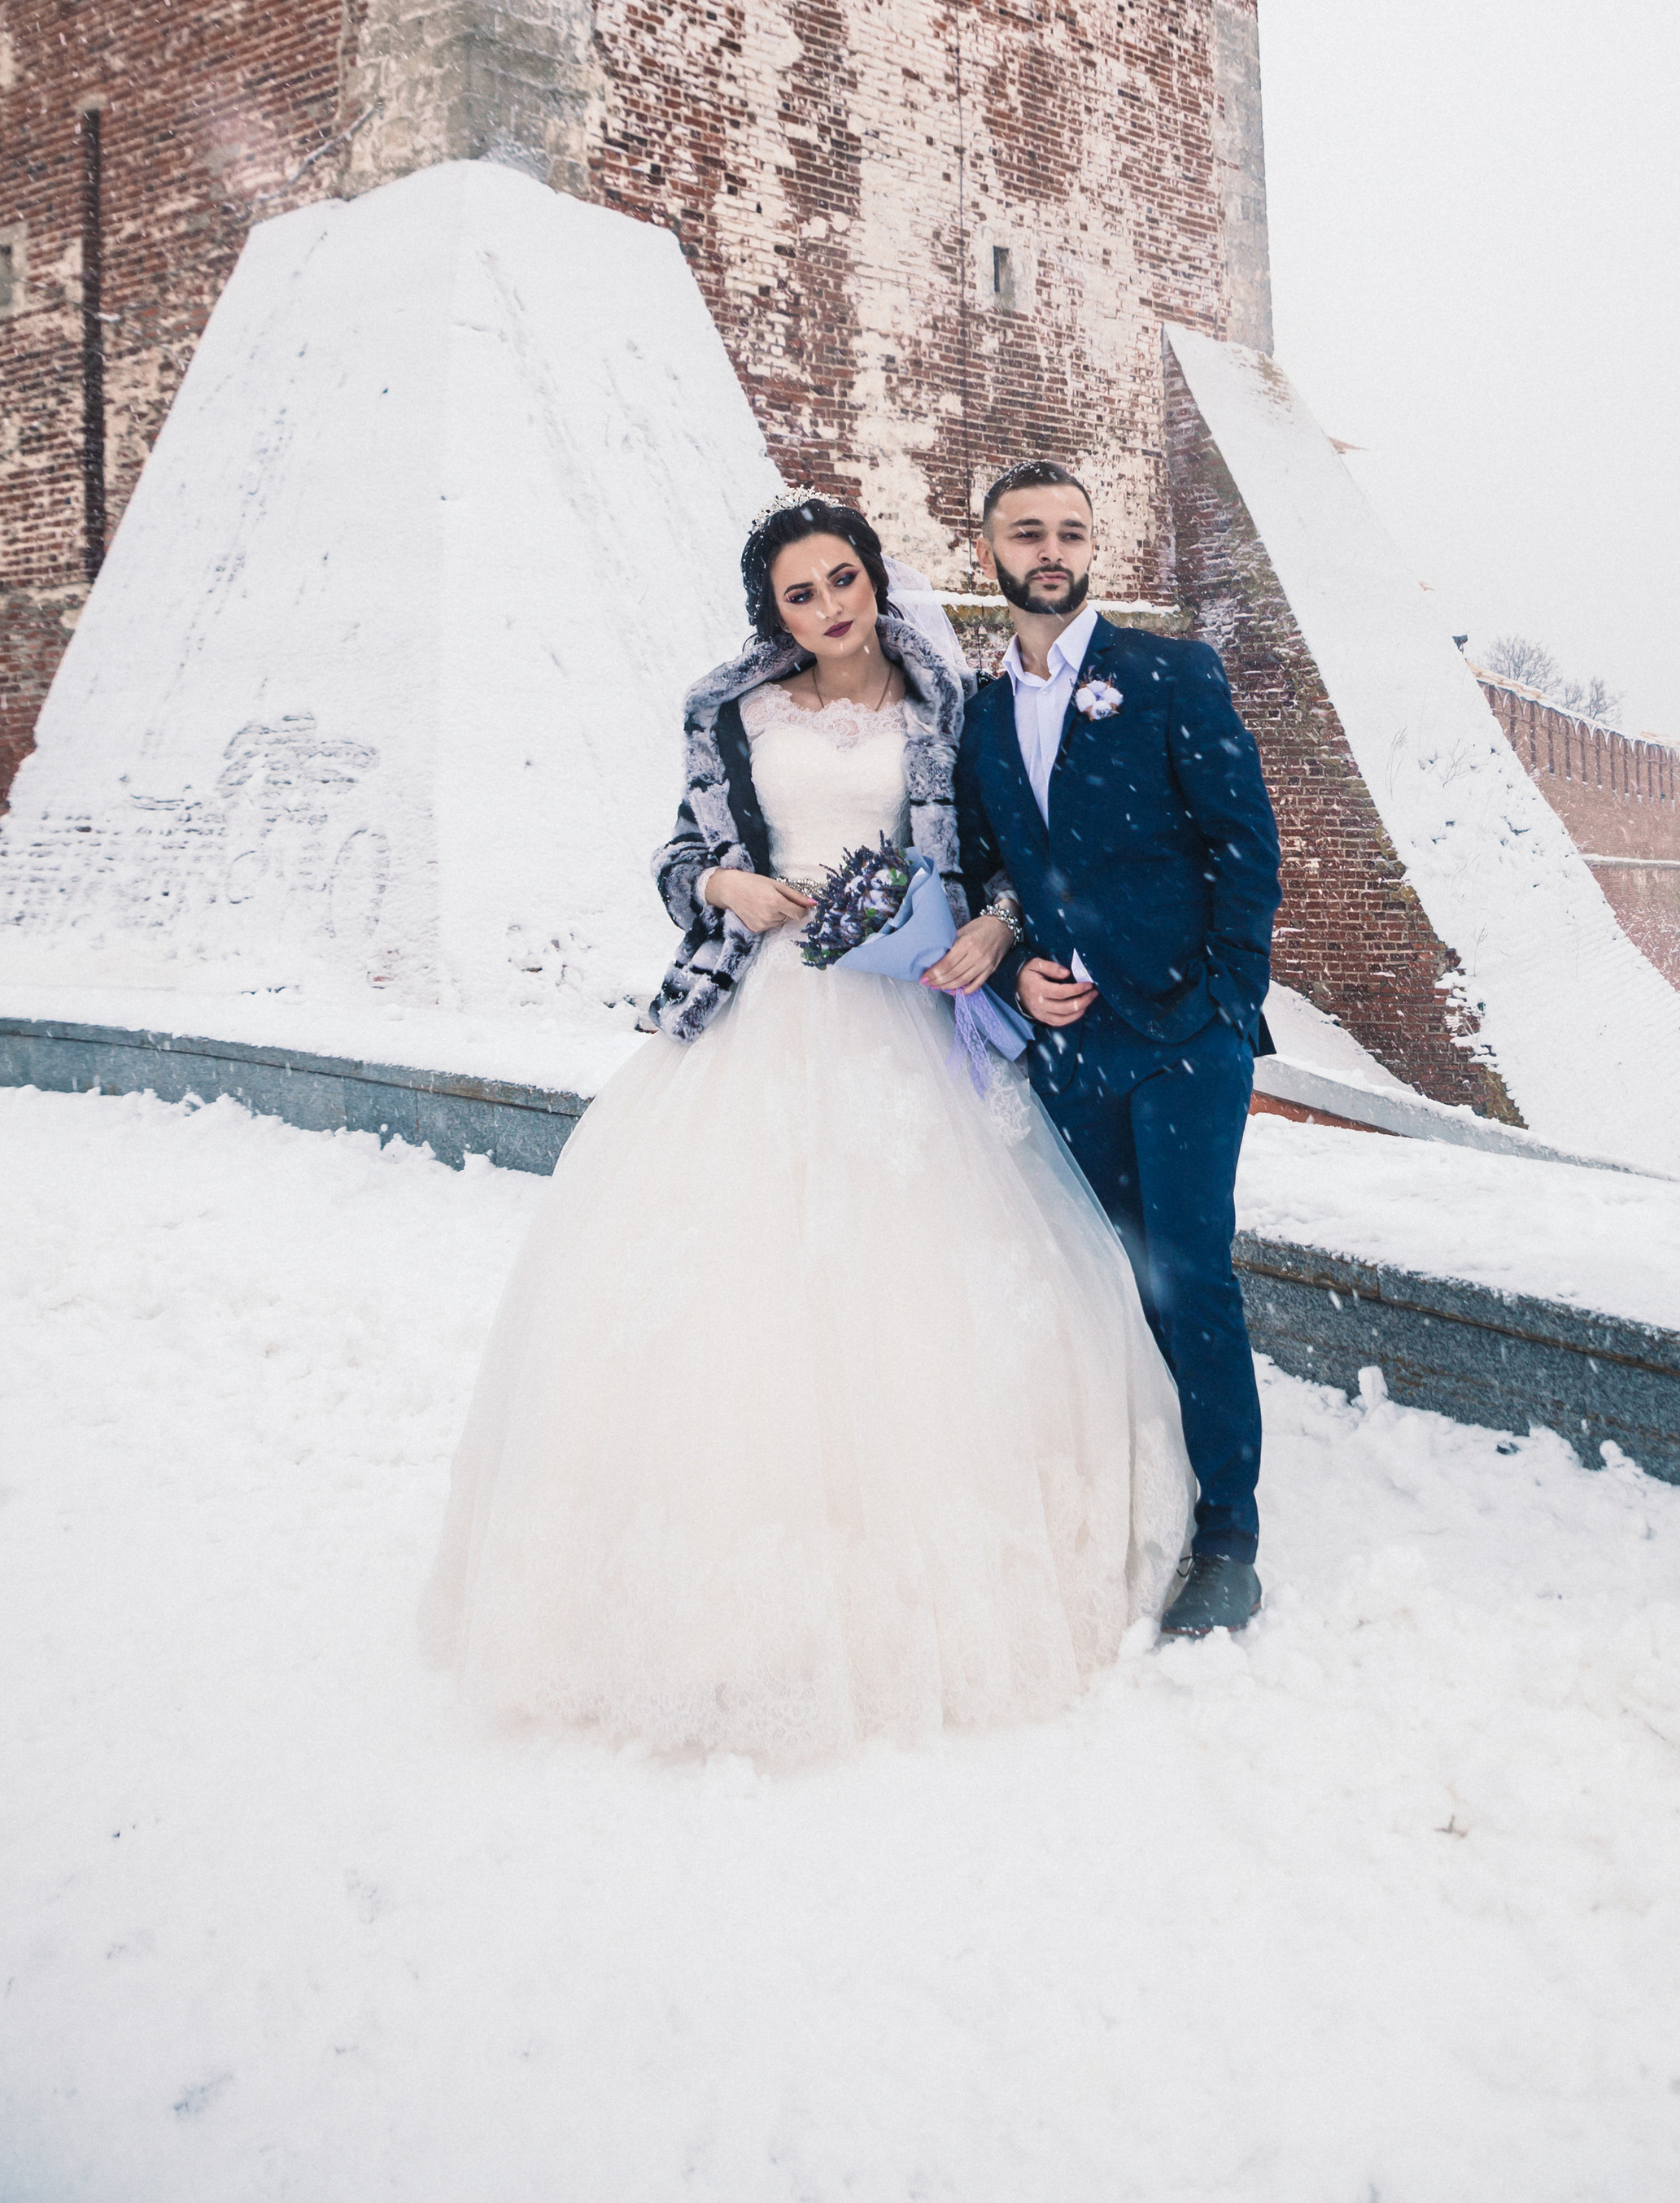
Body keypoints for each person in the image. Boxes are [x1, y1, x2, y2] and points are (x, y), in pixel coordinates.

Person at [421, 495, 1192, 1768]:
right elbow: (680, 860)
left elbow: (1008, 857)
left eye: (843, 579)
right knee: (730, 1295)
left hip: (903, 1007)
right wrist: (722, 882)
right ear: (772, 614)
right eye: (801, 594)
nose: (831, 607)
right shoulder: (729, 712)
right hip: (764, 1006)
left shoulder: (949, 706)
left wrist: (991, 927)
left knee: (919, 1291)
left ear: (875, 578)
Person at [953, 461, 1281, 1638]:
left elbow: (1245, 841)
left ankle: (1229, 1535)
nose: (1051, 550)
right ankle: (1146, 1492)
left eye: (1071, 532)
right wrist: (1014, 968)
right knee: (1104, 1275)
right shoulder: (980, 714)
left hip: (1186, 1032)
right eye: (1027, 532)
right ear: (989, 549)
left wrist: (1228, 999)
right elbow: (991, 864)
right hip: (1068, 1045)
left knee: (1191, 1275)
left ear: (1095, 548)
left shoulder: (1169, 673)